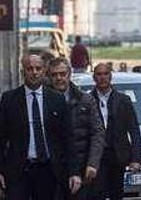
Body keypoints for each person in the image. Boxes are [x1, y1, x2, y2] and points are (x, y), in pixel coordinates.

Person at [0, 54, 73, 200]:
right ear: (23, 71)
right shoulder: (9, 99)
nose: (34, 72)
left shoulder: (57, 99)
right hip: (18, 171)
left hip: (48, 170)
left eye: (38, 68)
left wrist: (73, 173)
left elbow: (67, 139)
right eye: (30, 69)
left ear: (44, 71)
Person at [48, 57, 104, 199]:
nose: (59, 78)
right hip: (52, 170)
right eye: (54, 75)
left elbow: (97, 133)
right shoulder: (43, 101)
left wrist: (92, 163)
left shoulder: (85, 100)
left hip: (82, 168)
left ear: (69, 74)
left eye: (62, 74)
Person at [91, 62, 141, 200]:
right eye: (99, 74)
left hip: (117, 156)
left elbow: (134, 130)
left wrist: (136, 158)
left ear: (111, 76)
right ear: (94, 77)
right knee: (97, 193)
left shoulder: (123, 100)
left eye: (105, 74)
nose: (102, 77)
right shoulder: (87, 100)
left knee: (116, 193)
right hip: (96, 157)